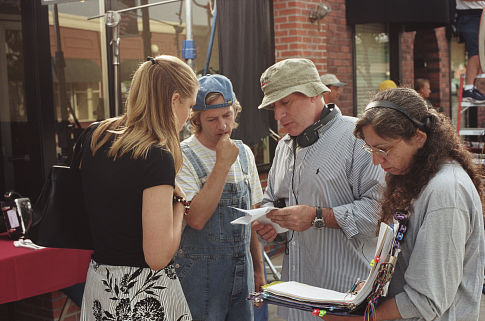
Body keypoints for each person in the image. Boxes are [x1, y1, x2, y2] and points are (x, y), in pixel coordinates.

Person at [323, 87, 485, 321]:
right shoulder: (417, 177)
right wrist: (372, 290)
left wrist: (355, 319)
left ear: (419, 138)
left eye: (383, 149)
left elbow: (426, 301)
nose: (376, 160)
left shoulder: (446, 192)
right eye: (370, 148)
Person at [253, 58, 384, 321]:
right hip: (295, 301)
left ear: (315, 93)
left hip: (344, 298)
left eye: (285, 102)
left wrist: (318, 216)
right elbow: (273, 201)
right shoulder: (283, 146)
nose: (278, 115)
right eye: (274, 106)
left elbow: (379, 215)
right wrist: (272, 225)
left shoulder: (358, 138)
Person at [80, 55, 198, 321]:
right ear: (174, 100)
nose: (189, 116)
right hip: (141, 294)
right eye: (189, 106)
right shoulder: (155, 156)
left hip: (100, 284)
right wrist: (181, 205)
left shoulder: (96, 136)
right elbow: (157, 258)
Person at [174, 74, 265, 321]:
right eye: (212, 119)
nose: (223, 126)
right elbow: (196, 219)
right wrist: (222, 164)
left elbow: (250, 219)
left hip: (242, 272)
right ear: (197, 120)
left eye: (227, 115)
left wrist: (258, 269)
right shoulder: (182, 155)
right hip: (200, 276)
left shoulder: (244, 152)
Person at [456, 0, 485, 103]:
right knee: (476, 52)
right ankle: (469, 88)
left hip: (479, 14)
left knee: (480, 52)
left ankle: (472, 88)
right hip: (470, 15)